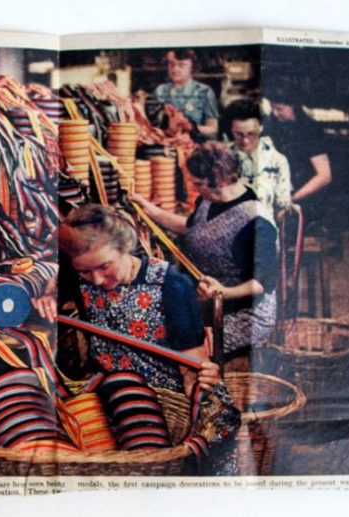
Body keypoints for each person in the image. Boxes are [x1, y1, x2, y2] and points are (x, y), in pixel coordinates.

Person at [59, 204, 240, 474]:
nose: (95, 279)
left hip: (170, 395)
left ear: (124, 248)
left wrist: (201, 383)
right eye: (85, 272)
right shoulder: (77, 275)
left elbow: (192, 369)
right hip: (109, 391)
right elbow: (41, 297)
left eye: (104, 266)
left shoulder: (171, 285)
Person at [131, 142, 278, 361]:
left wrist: (224, 292)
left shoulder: (255, 223)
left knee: (174, 348)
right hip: (207, 300)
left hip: (244, 313)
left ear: (219, 179)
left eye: (199, 183)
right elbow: (192, 229)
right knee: (148, 329)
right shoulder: (209, 199)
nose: (194, 188)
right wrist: (148, 209)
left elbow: (263, 283)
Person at [264, 85, 332, 226]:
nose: (275, 113)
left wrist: (292, 199)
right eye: (272, 108)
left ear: (294, 106)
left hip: (305, 197)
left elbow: (324, 176)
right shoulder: (273, 125)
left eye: (280, 109)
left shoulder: (310, 130)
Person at [222, 98, 292, 221]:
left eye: (251, 134)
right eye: (238, 134)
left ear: (261, 128)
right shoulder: (221, 158)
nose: (245, 140)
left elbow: (282, 206)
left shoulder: (277, 161)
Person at [152, 49, 219, 139]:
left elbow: (213, 129)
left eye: (181, 65)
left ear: (192, 67)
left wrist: (192, 128)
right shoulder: (160, 91)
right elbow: (153, 126)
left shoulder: (204, 91)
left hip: (195, 147)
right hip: (166, 147)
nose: (175, 69)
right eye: (171, 64)